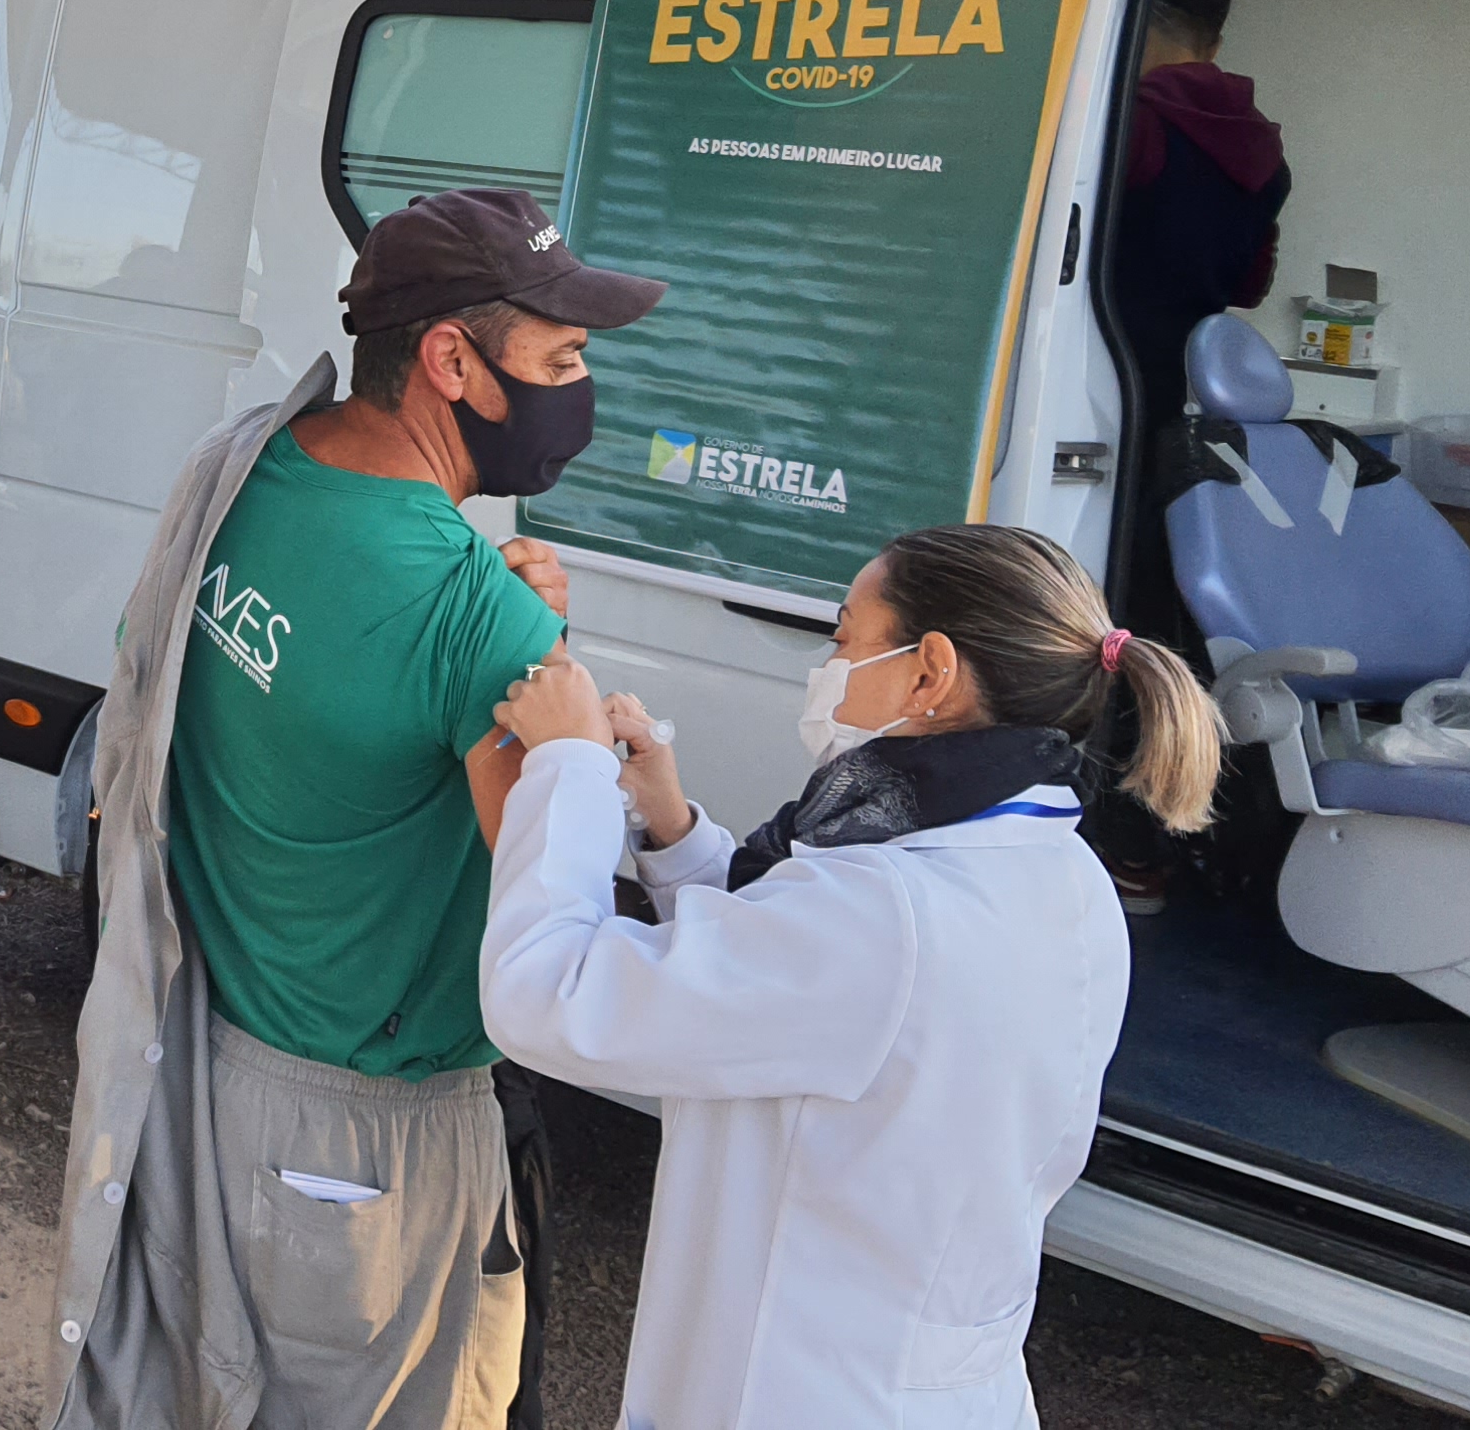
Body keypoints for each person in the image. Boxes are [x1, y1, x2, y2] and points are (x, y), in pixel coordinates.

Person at [47, 185, 665, 1430]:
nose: (581, 388)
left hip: (200, 1057)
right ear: (451, 361)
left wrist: (500, 629)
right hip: (370, 1147)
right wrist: (575, 737)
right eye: (561, 360)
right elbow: (555, 951)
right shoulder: (472, 612)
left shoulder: (244, 473)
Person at [477, 524, 1223, 1430]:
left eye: (843, 639)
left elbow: (546, 993)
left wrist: (569, 764)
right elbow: (793, 985)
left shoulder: (885, 912)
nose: (828, 667)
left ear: (929, 673)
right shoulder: (1061, 875)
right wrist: (672, 831)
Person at [1105, 0, 1287, 438]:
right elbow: (1249, 287)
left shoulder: (1127, 126)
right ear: (1216, 45)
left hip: (1096, 370)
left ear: (1133, 26)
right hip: (1183, 391)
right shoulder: (1269, 155)